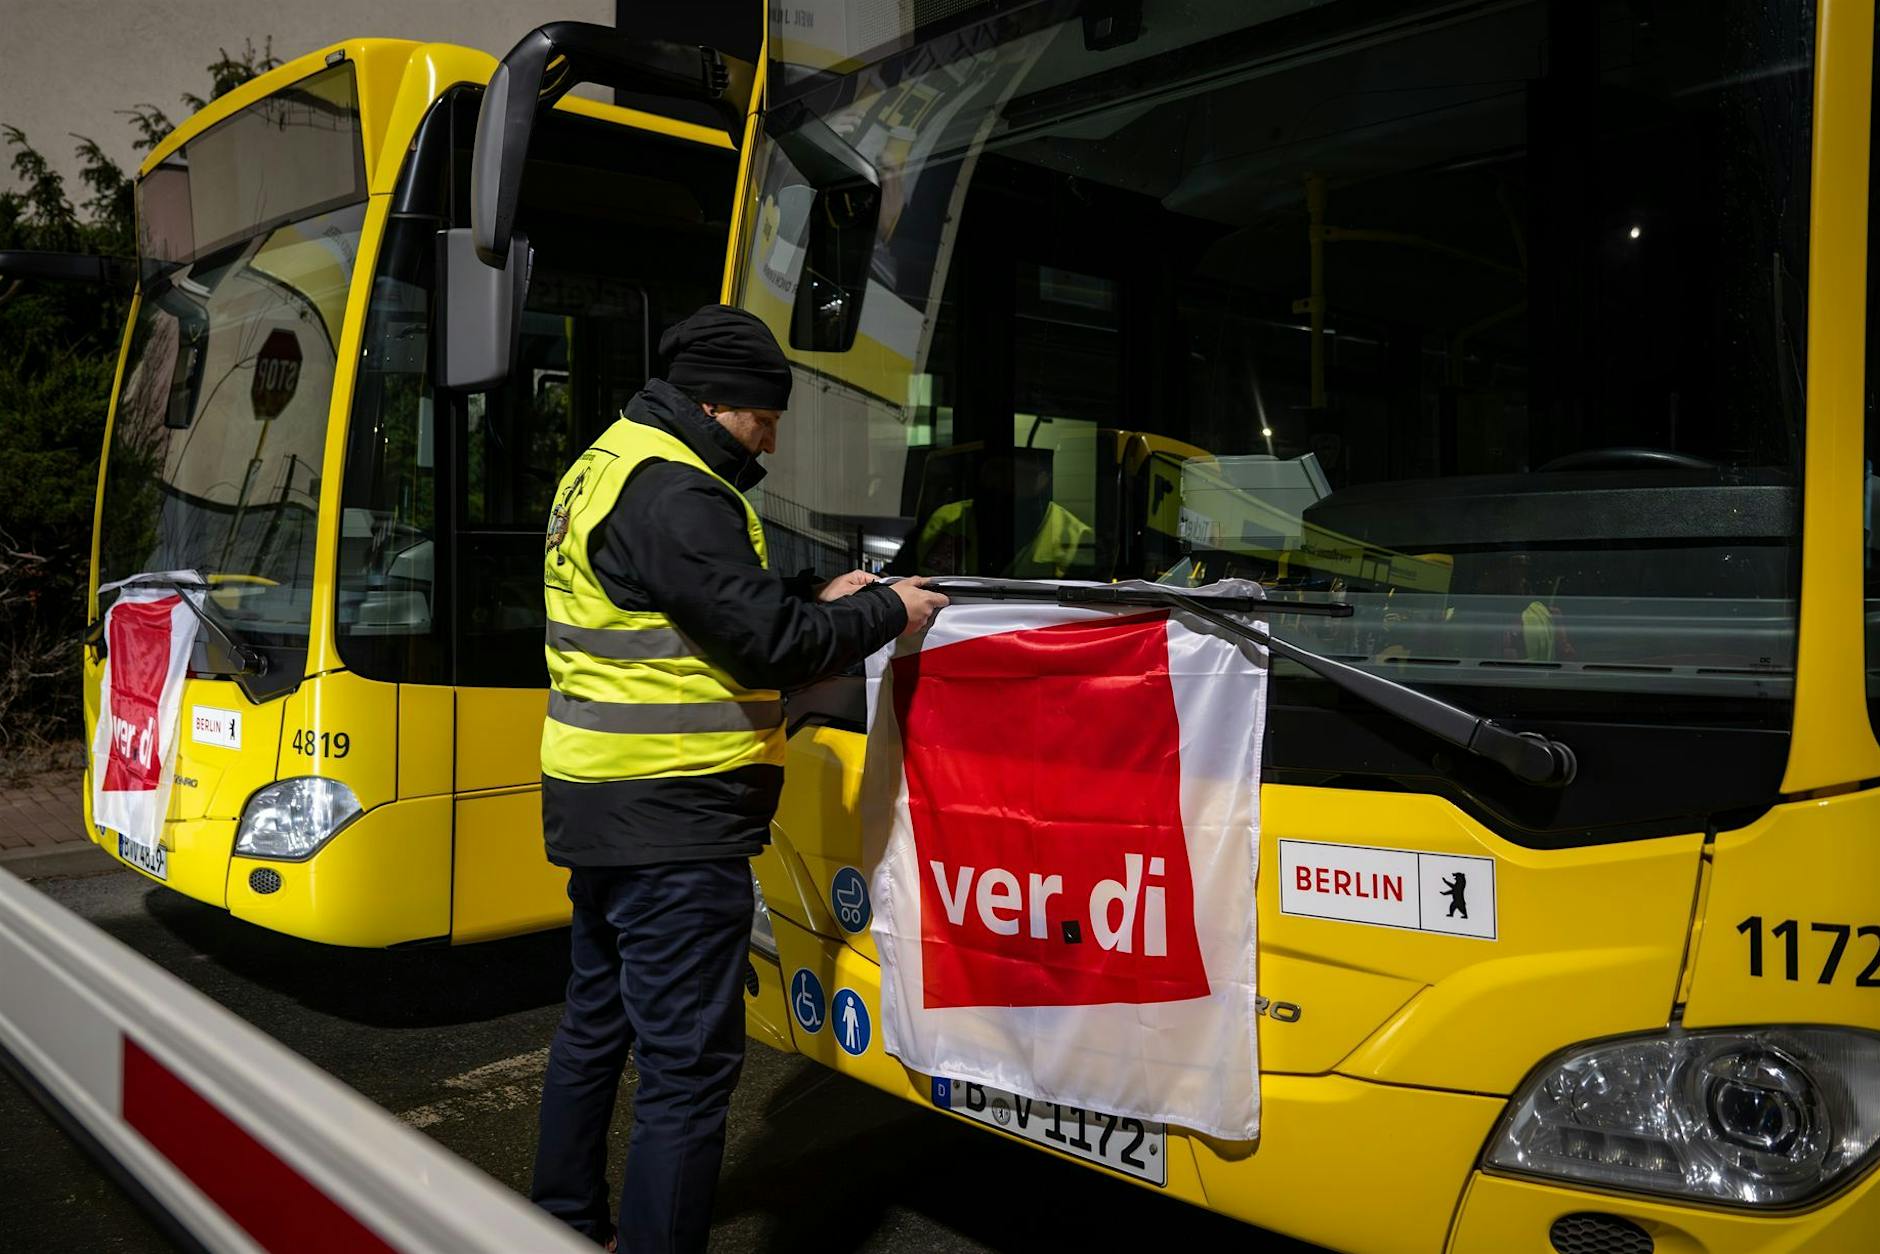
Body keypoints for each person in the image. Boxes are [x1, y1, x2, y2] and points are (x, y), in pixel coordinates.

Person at [530, 304, 948, 1253]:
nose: (773, 434)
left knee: (596, 1024)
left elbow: (695, 611)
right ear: (722, 403)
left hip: (602, 799)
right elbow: (768, 646)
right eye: (768, 416)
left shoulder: (608, 465)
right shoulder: (676, 489)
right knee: (687, 1067)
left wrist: (812, 595)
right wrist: (887, 608)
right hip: (674, 817)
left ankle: (557, 1223)